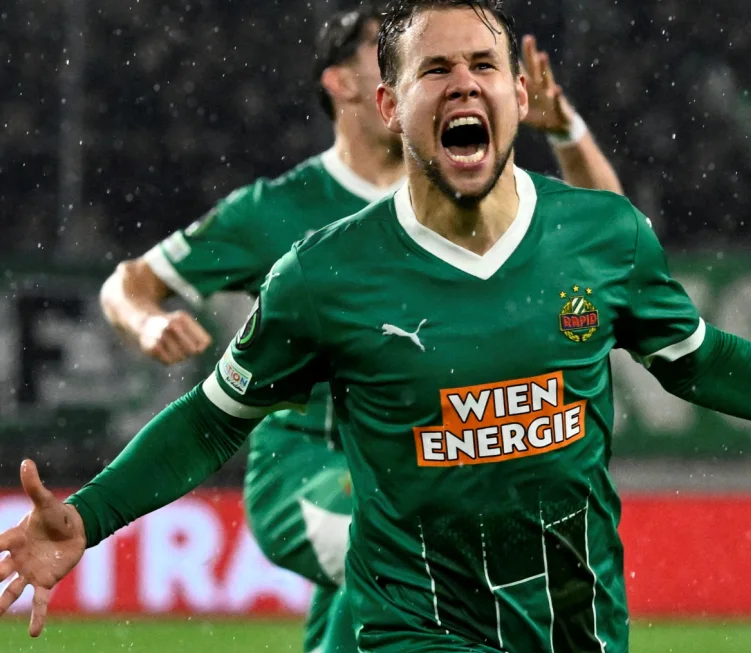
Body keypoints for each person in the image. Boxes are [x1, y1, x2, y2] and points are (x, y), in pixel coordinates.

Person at [0, 1, 751, 651]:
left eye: (480, 65)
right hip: (416, 615)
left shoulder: (597, 234)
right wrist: (89, 515)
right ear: (390, 105)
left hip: (576, 610)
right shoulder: (321, 272)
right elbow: (211, 420)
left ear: (518, 98)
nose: (460, 83)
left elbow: (700, 361)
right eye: (433, 67)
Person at [95, 5, 621, 652]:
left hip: (420, 464)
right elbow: (128, 283)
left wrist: (564, 129)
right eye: (390, 52)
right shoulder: (277, 211)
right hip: (307, 467)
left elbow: (613, 239)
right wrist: (146, 322)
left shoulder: (471, 194)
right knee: (405, 546)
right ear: (342, 82)